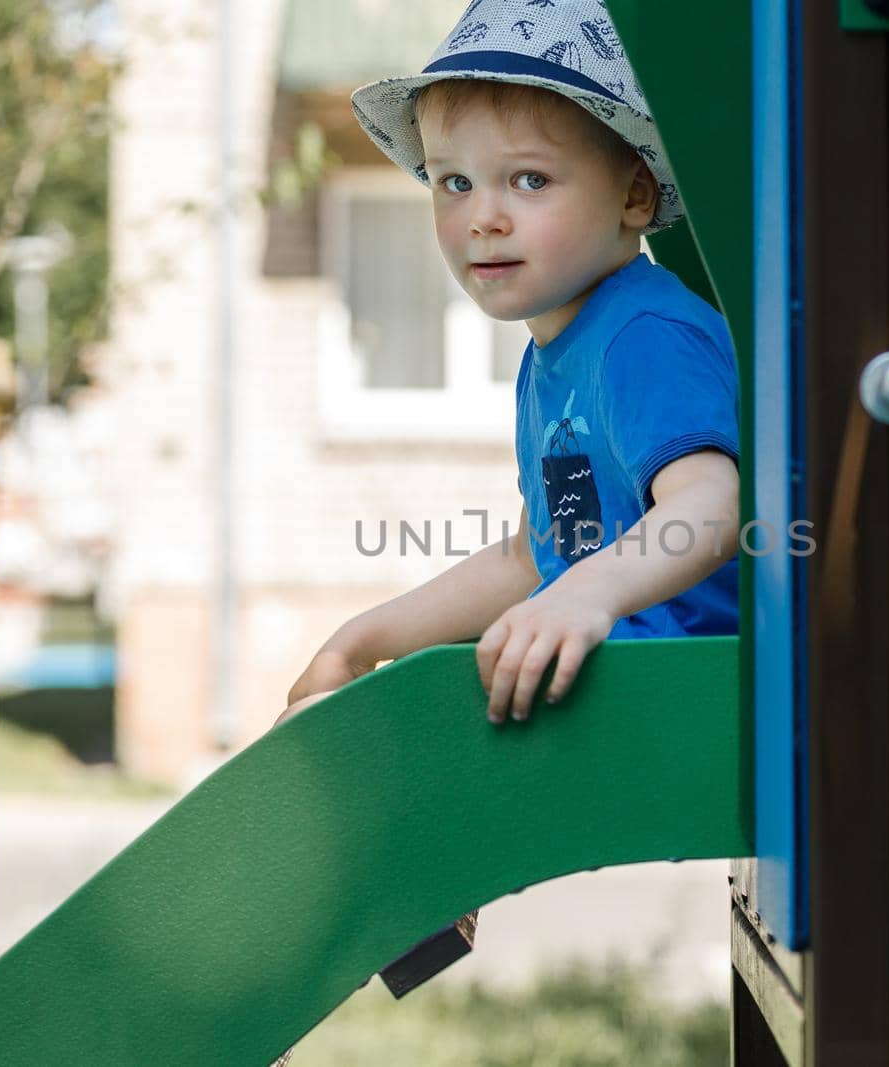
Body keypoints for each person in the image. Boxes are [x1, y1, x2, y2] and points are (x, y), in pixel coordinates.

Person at [269, 0, 741, 1022]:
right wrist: (368, 636)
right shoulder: (552, 355)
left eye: (528, 179)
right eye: (452, 182)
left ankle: (375, 905)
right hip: (636, 672)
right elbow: (543, 547)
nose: (481, 214)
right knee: (398, 696)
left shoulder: (644, 334)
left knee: (430, 720)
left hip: (703, 687)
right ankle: (395, 902)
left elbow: (710, 504)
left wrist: (590, 596)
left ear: (631, 192)